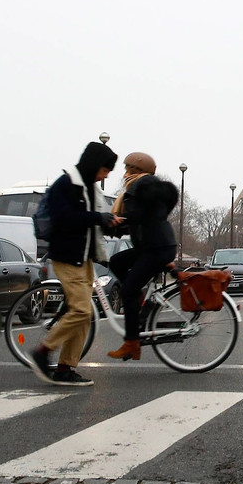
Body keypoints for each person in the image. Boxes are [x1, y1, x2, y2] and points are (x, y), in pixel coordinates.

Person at [29, 142, 122, 386]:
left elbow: (88, 221)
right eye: (105, 170)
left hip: (84, 258)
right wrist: (98, 218)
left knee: (84, 314)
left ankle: (66, 368)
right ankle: (42, 351)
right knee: (81, 310)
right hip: (67, 257)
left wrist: (110, 223)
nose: (106, 175)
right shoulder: (66, 184)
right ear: (94, 165)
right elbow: (65, 219)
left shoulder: (88, 188)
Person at [105, 152, 178, 361]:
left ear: (135, 170)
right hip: (154, 246)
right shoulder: (148, 187)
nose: (124, 173)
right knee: (116, 262)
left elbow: (136, 215)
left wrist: (112, 221)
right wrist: (115, 225)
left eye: (127, 168)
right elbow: (142, 219)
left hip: (156, 248)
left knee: (126, 291)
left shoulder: (141, 186)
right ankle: (138, 298)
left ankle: (131, 343)